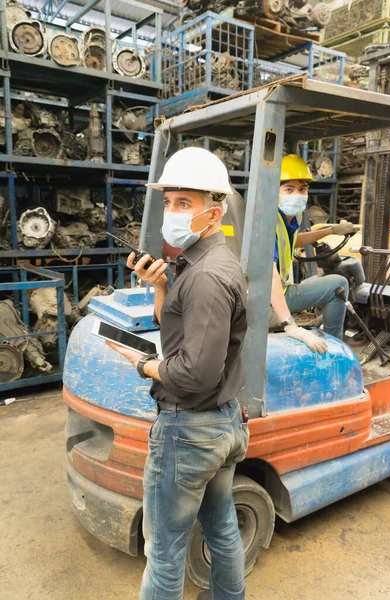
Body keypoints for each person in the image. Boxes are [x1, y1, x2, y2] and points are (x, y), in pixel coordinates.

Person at [106, 147, 249, 600]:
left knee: (164, 552)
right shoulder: (198, 265)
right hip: (221, 425)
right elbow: (183, 336)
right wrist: (162, 287)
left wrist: (145, 365)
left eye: (184, 203)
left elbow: (193, 374)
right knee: (222, 529)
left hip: (191, 429)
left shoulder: (207, 275)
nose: (171, 212)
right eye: (168, 202)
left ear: (215, 210)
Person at [271, 154, 360, 353]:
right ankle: (335, 348)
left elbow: (296, 241)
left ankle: (322, 329)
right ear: (273, 190)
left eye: (302, 189)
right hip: (273, 297)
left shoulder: (286, 216)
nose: (297, 194)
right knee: (339, 283)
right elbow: (269, 273)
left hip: (283, 289)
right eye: (289, 189)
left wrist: (332, 230)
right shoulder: (269, 221)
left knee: (320, 278)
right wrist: (289, 324)